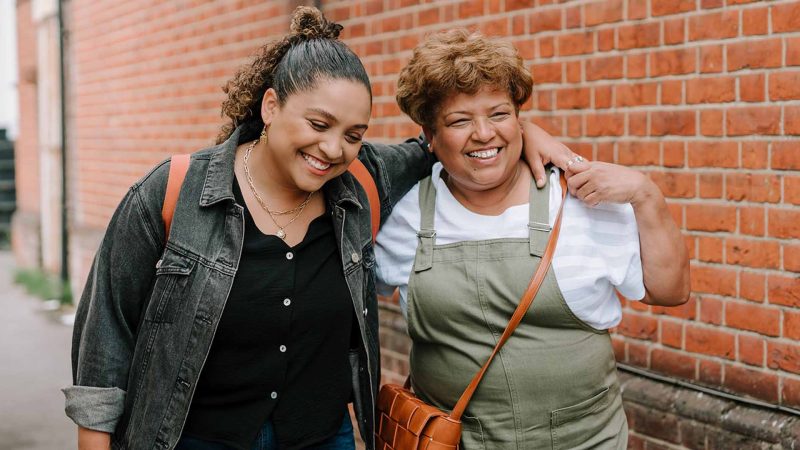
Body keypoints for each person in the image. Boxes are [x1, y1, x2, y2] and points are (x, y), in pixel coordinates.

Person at [64, 8, 575, 450]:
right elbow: (105, 332)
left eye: (354, 134)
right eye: (318, 124)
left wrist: (523, 130)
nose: (333, 149)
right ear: (270, 107)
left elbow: (441, 143)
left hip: (322, 437)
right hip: (191, 437)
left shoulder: (363, 181)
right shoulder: (175, 191)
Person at [375, 29, 690, 449]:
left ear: (520, 119)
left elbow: (670, 290)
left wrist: (647, 194)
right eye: (459, 120)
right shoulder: (404, 214)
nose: (484, 133)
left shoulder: (580, 200)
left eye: (499, 114)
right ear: (429, 136)